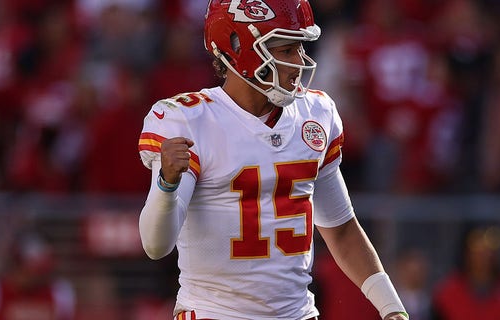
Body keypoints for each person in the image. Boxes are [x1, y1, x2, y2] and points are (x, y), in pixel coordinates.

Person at [137, 1, 408, 319]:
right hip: (215, 313)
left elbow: (341, 229)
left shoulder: (315, 113)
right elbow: (156, 245)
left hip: (297, 314)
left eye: (300, 48)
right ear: (238, 49)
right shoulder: (189, 119)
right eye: (285, 49)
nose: (300, 62)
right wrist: (166, 183)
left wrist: (392, 309)